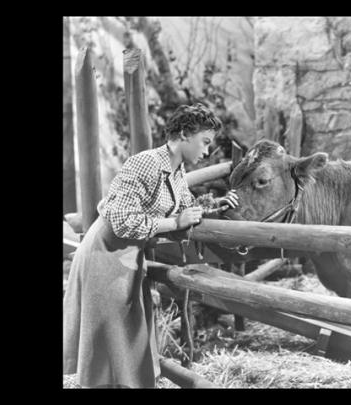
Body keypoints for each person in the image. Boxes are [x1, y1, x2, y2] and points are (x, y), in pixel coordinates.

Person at [63, 103, 239, 388]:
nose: (206, 152)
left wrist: (218, 205)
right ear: (184, 133)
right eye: (205, 142)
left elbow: (188, 208)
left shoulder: (176, 170)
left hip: (128, 259)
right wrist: (173, 223)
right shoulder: (144, 163)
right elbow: (122, 221)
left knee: (129, 341)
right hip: (103, 254)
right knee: (110, 347)